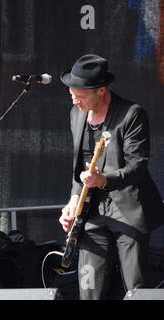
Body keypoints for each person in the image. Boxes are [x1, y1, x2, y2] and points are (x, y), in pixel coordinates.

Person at [58, 54, 164, 300]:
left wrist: (103, 180)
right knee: (88, 286)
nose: (74, 100)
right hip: (92, 211)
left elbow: (138, 166)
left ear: (102, 91)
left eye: (80, 96)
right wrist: (74, 200)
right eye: (72, 93)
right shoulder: (77, 114)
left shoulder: (131, 114)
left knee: (136, 288)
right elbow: (79, 167)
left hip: (128, 210)